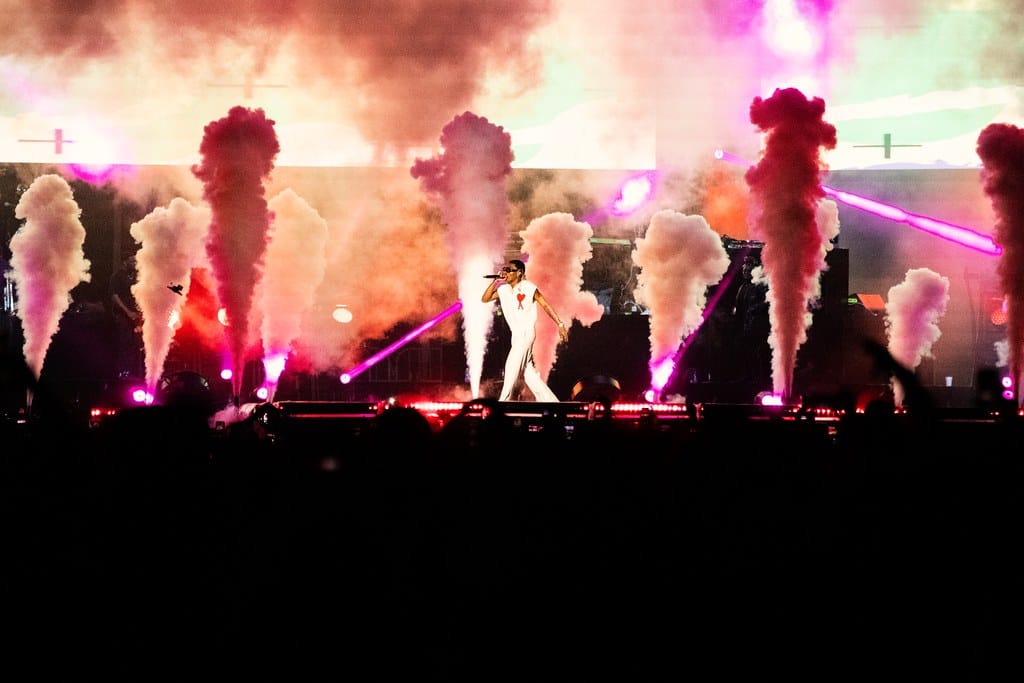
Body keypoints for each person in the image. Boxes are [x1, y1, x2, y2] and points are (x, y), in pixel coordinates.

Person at [482, 259, 569, 402]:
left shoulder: (528, 288)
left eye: (510, 270)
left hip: (526, 333)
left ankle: (503, 402)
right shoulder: (503, 290)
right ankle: (551, 402)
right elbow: (485, 299)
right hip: (516, 335)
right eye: (505, 269)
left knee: (511, 365)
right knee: (529, 374)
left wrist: (560, 324)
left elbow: (545, 305)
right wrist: (496, 280)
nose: (506, 272)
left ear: (520, 273)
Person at [108, 252, 143, 378]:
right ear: (125, 261)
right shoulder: (117, 276)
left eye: (135, 261)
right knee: (125, 344)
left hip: (135, 316)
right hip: (122, 316)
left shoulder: (134, 276)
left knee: (136, 345)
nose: (134, 264)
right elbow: (114, 296)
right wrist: (127, 312)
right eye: (132, 261)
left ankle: (135, 372)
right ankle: (122, 373)